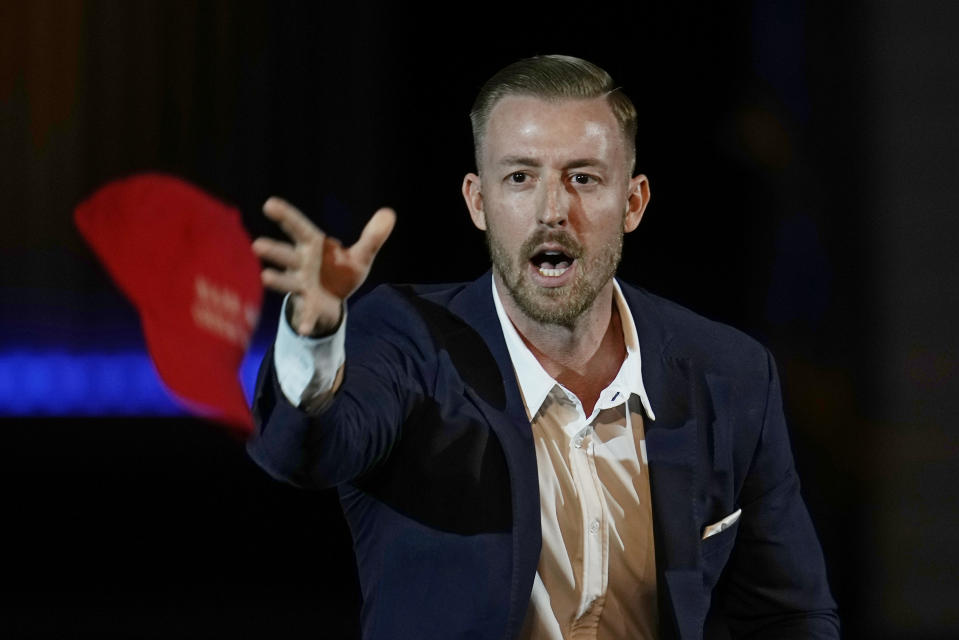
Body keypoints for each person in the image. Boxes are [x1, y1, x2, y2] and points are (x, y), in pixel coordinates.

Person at [247, 55, 839, 639]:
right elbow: (305, 453)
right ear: (478, 202)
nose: (552, 211)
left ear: (633, 204)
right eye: (520, 178)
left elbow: (788, 613)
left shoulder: (730, 374)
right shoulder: (409, 339)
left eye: (582, 178)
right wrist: (315, 333)